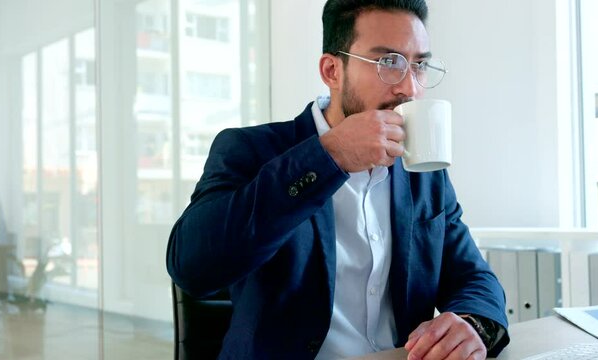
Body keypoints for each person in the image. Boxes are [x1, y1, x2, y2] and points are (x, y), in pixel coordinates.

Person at [166, 0, 510, 359]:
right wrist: (329, 158)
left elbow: (474, 277)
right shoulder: (251, 149)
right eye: (388, 62)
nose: (410, 88)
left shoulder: (425, 172)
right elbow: (191, 267)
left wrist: (472, 325)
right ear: (332, 71)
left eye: (419, 65)